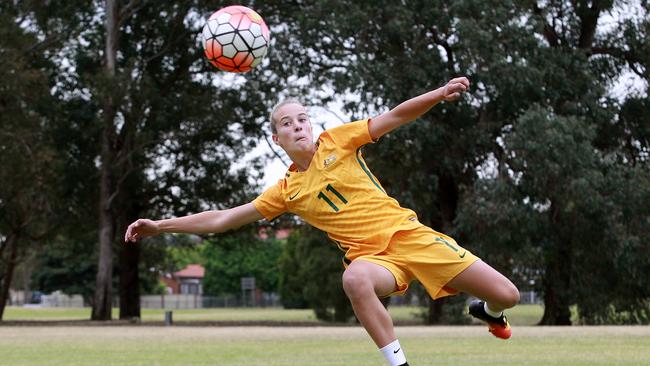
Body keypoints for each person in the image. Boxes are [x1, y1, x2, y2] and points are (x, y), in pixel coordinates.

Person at [124, 77, 520, 366]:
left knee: (508, 295)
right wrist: (161, 225)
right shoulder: (286, 191)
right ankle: (399, 365)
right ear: (277, 140)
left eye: (302, 119)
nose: (297, 125)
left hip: (411, 236)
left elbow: (397, 115)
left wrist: (439, 93)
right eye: (286, 123)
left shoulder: (339, 141)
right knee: (354, 279)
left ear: (311, 127)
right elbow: (224, 218)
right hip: (373, 260)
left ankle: (487, 311)